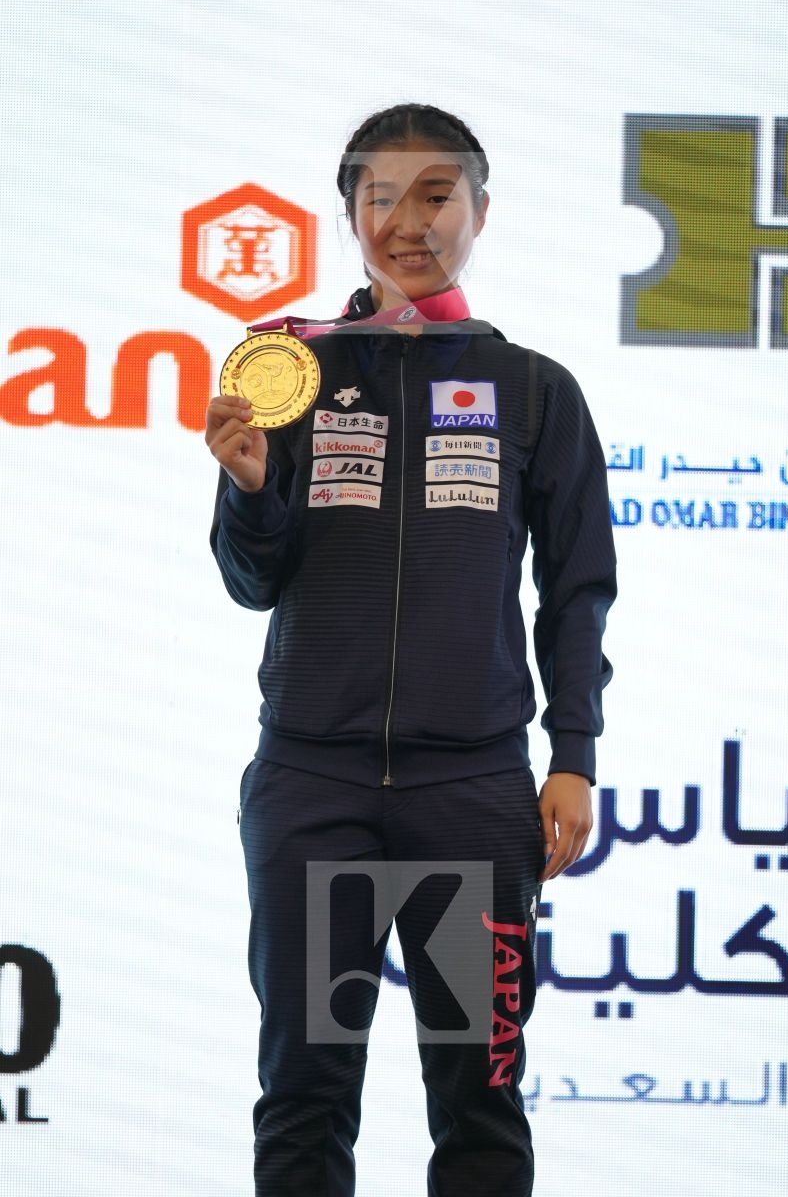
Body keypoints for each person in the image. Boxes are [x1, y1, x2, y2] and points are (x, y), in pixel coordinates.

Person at [205, 103, 616, 1197]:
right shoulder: (289, 375)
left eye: (436, 192)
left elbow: (575, 592)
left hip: (471, 797)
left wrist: (569, 753)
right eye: (380, 195)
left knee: (478, 1098)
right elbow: (251, 584)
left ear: (479, 209)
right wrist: (249, 486)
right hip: (311, 788)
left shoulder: (533, 391)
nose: (407, 218)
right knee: (305, 1093)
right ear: (348, 215)